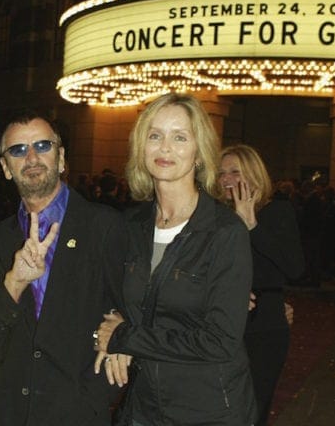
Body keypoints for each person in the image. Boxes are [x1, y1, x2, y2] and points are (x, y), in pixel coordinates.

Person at [93, 93, 257, 425]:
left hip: (209, 409)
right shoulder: (130, 226)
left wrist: (125, 337)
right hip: (144, 404)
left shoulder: (225, 232)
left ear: (199, 152)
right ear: (141, 147)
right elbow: (110, 295)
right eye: (155, 136)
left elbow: (220, 342)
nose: (165, 147)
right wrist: (114, 327)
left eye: (180, 137)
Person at [0, 110, 126, 426]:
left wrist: (123, 332)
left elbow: (134, 308)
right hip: (5, 411)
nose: (31, 157)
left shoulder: (104, 226)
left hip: (76, 411)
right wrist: (15, 282)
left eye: (42, 146)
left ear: (61, 157)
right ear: (5, 168)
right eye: (17, 150)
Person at [218, 144, 305, 425]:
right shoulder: (218, 216)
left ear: (254, 174)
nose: (226, 179)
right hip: (221, 323)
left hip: (264, 325)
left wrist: (252, 225)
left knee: (253, 408)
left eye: (234, 172)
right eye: (221, 173)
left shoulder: (277, 211)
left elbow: (295, 268)